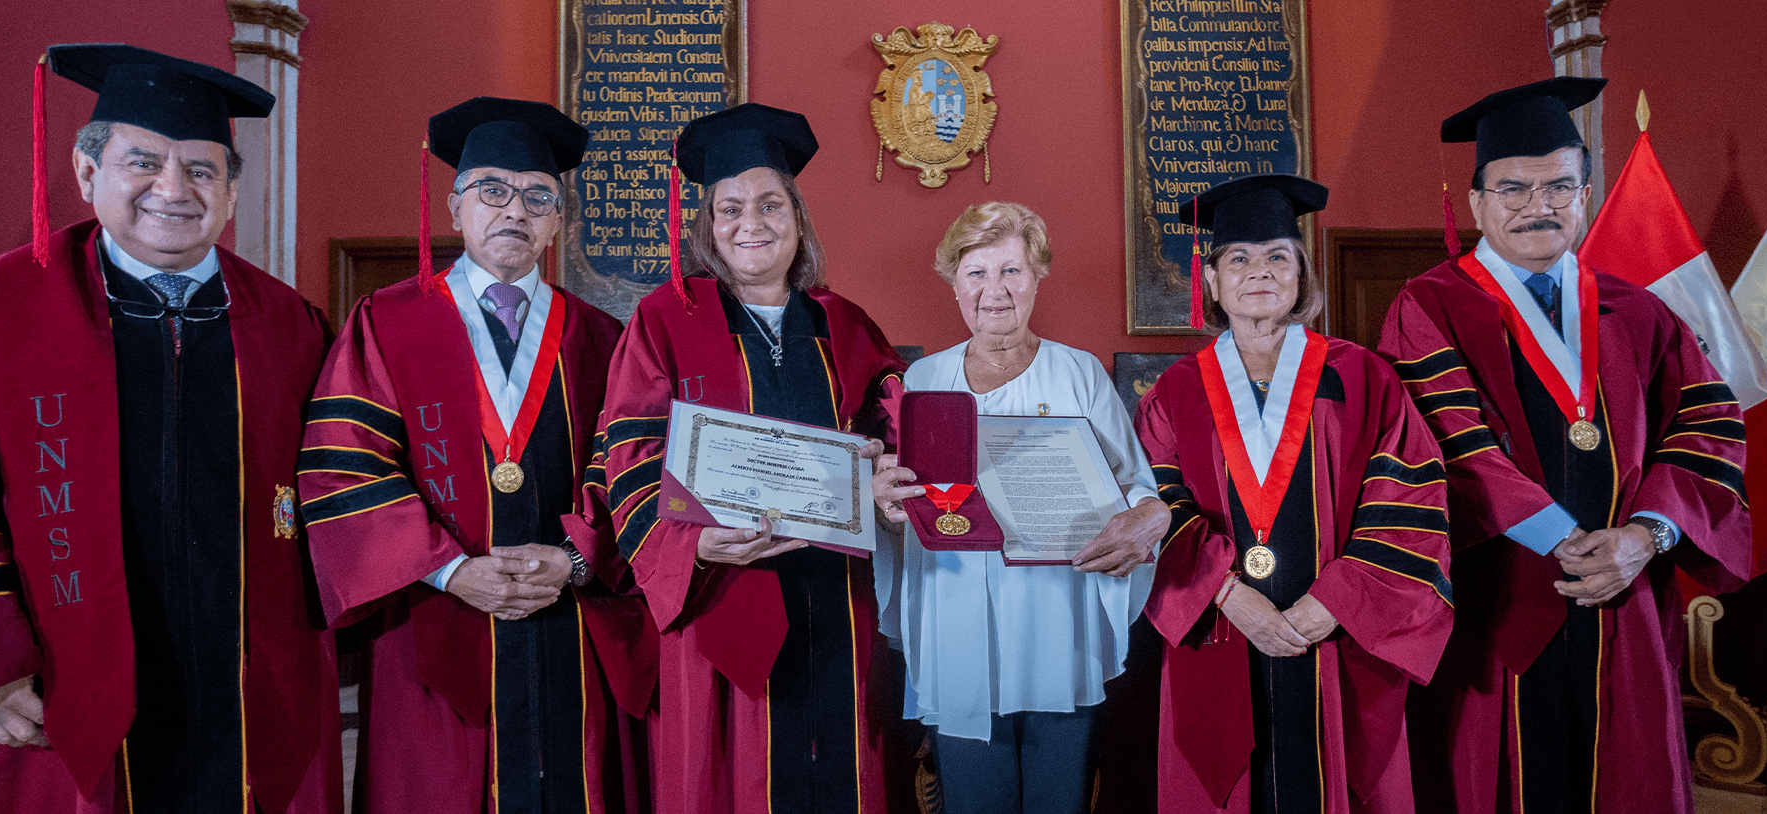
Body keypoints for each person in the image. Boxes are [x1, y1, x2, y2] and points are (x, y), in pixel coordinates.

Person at [0, 44, 338, 812]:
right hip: (57, 687)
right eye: (144, 162)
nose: (174, 188)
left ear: (231, 190)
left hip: (251, 692)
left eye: (202, 169)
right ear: (88, 173)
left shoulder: (288, 325)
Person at [1377, 78, 1751, 814]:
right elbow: (1442, 439)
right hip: (1500, 593)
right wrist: (1568, 541)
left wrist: (1643, 538)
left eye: (1559, 187)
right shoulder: (1430, 305)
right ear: (1477, 202)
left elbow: (1707, 429)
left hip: (1626, 591)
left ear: (1586, 195)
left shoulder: (1639, 311)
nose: (1537, 205)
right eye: (1513, 188)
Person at [299, 97, 648, 814]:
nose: (513, 210)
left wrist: (576, 557)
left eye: (537, 197)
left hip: (566, 617)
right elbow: (346, 462)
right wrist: (450, 570)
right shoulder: (387, 321)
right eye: (491, 190)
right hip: (436, 616)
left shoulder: (601, 337)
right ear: (455, 205)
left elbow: (630, 465)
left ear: (557, 221)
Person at [597, 103, 905, 814]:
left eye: (770, 204)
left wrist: (889, 482)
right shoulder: (664, 321)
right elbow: (631, 460)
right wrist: (694, 543)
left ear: (797, 217)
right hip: (721, 601)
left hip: (836, 602)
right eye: (729, 208)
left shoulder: (847, 325)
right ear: (707, 226)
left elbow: (894, 435)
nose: (751, 222)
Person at [1136, 175, 1453, 814]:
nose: (1260, 272)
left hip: (1335, 637)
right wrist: (1228, 594)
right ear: (1213, 280)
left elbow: (1408, 502)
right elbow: (1153, 504)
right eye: (1239, 259)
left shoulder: (1364, 377)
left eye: (1278, 256)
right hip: (1221, 630)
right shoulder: (1175, 391)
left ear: (1301, 275)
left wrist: (1336, 601)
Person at [871, 201, 1171, 814]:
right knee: (972, 797)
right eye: (976, 273)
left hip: (1057, 619)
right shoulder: (922, 380)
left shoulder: (1078, 374)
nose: (994, 291)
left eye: (1012, 271)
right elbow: (895, 501)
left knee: (1059, 795)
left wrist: (1146, 517)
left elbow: (1136, 486)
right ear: (953, 283)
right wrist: (884, 503)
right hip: (953, 616)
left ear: (1038, 277)